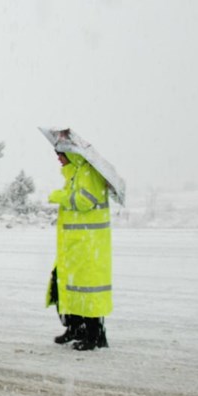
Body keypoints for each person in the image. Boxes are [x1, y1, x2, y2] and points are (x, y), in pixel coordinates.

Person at [46, 149, 113, 351]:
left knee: (87, 290)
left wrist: (60, 196)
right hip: (75, 245)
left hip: (88, 245)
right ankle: (75, 328)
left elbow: (84, 201)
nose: (58, 157)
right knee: (65, 287)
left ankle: (95, 336)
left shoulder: (88, 173)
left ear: (72, 154)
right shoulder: (76, 173)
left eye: (60, 153)